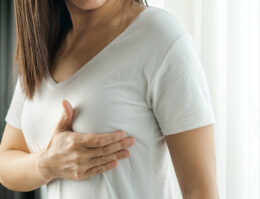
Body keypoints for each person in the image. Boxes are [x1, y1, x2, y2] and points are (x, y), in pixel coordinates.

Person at [0, 0, 219, 198]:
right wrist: (46, 164)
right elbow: (5, 162)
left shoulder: (159, 36)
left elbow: (199, 189)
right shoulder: (44, 49)